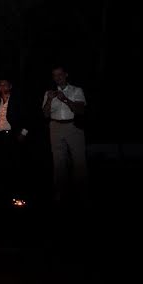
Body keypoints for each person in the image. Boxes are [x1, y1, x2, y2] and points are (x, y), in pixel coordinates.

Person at [42, 66, 87, 204]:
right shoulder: (49, 92)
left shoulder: (76, 90)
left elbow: (80, 110)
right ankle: (60, 192)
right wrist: (49, 100)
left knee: (79, 160)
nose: (58, 77)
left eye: (60, 74)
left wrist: (65, 99)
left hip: (73, 126)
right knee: (58, 161)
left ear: (66, 75)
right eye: (55, 75)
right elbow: (45, 114)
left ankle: (82, 192)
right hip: (55, 126)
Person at [0, 78, 29, 203]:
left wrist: (23, 133)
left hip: (13, 136)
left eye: (4, 84)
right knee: (0, 165)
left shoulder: (17, 100)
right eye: (0, 85)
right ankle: (3, 194)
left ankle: (18, 194)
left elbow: (26, 116)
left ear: (10, 86)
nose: (2, 87)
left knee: (16, 165)